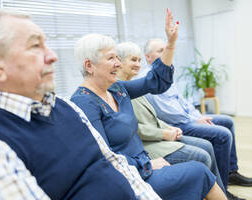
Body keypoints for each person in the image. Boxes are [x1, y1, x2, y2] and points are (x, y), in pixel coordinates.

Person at [0, 9, 164, 200]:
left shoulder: (67, 108)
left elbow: (115, 164)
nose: (52, 56)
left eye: (46, 45)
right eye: (35, 46)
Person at [71, 9, 226, 200]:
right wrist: (146, 165)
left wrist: (170, 43)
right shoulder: (83, 103)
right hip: (127, 179)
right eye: (111, 58)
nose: (118, 64)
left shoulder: (117, 88)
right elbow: (101, 158)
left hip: (144, 165)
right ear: (89, 66)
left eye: (118, 58)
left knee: (199, 172)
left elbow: (155, 82)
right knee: (200, 171)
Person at [142, 38, 252, 200]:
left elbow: (182, 101)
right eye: (160, 51)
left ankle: (231, 172)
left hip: (188, 118)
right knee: (222, 135)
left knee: (227, 121)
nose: (165, 53)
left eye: (166, 49)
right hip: (178, 124)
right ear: (148, 57)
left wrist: (198, 116)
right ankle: (222, 188)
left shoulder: (166, 75)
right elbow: (169, 113)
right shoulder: (148, 79)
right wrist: (194, 120)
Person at [116, 41, 225, 192]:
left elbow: (152, 116)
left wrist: (169, 128)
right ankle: (212, 193)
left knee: (207, 145)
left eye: (139, 60)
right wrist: (164, 133)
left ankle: (222, 191)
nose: (138, 64)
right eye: (133, 60)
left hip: (162, 133)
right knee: (203, 155)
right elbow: (132, 128)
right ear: (118, 62)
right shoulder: (119, 90)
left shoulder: (132, 85)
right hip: (146, 144)